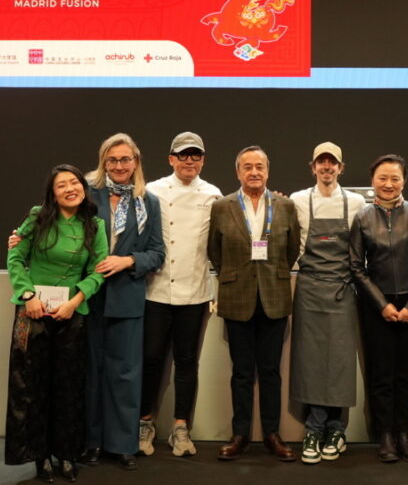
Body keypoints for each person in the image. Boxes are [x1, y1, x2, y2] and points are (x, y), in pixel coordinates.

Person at [5, 164, 108, 484]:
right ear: (52, 193)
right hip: (33, 312)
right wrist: (27, 295)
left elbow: (98, 271)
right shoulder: (37, 217)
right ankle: (38, 457)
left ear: (83, 187)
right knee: (31, 388)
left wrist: (75, 302)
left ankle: (66, 454)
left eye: (74, 182)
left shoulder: (94, 224)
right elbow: (15, 259)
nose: (70, 188)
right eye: (61, 185)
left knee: (68, 388)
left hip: (71, 313)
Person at [208, 145, 301, 462]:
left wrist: (272, 276)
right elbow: (215, 252)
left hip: (274, 297)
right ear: (238, 172)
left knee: (271, 371)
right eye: (247, 167)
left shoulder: (285, 206)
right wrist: (235, 277)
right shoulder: (222, 207)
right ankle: (241, 434)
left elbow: (292, 251)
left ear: (268, 170)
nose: (254, 172)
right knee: (242, 372)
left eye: (259, 166)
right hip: (237, 297)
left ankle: (273, 434)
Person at [82, 133, 165, 470]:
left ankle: (123, 443)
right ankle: (91, 442)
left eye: (125, 159)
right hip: (89, 296)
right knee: (91, 372)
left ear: (136, 162)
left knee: (126, 375)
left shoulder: (150, 202)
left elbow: (157, 252)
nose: (119, 166)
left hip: (128, 297)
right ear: (104, 162)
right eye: (112, 160)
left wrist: (128, 261)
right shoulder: (87, 195)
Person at [138, 132, 222, 458]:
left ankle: (180, 427)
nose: (189, 161)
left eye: (195, 155)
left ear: (202, 159)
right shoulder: (154, 190)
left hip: (195, 291)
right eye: (183, 155)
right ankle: (145, 422)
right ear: (171, 159)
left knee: (187, 362)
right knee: (151, 361)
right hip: (156, 289)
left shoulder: (213, 194)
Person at [349, 154, 408, 464]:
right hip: (377, 306)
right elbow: (356, 267)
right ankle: (384, 435)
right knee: (381, 374)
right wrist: (382, 304)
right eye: (382, 178)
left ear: (404, 181)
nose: (388, 184)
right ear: (372, 181)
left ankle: (404, 434)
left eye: (394, 178)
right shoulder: (362, 217)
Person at [288, 142, 366, 464]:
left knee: (340, 361)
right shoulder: (297, 200)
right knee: (312, 360)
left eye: (332, 163)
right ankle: (314, 427)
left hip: (342, 290)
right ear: (313, 166)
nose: (327, 167)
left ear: (341, 168)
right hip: (309, 289)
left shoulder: (357, 202)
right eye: (321, 162)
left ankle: (336, 429)